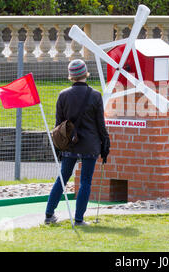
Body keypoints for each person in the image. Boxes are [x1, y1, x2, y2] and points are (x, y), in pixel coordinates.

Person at [45, 59, 110, 226]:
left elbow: (58, 125)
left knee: (62, 178)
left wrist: (58, 146)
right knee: (86, 181)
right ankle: (79, 219)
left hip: (69, 144)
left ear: (71, 76)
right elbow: (100, 125)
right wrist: (105, 143)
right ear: (85, 73)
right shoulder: (95, 95)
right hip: (90, 144)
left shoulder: (63, 95)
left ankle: (49, 214)